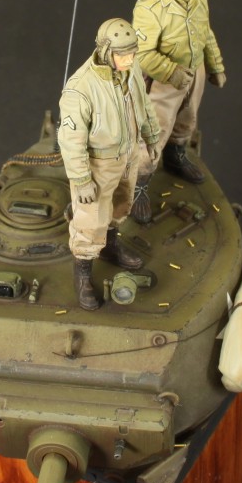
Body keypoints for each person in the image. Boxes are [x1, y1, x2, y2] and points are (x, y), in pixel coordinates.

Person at [58, 18, 160, 310]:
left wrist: (152, 136)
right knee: (90, 221)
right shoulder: (80, 89)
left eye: (132, 53)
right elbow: (71, 140)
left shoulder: (131, 70)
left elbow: (144, 104)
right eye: (122, 54)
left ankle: (111, 246)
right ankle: (82, 273)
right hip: (98, 165)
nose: (129, 59)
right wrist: (81, 180)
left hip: (127, 155)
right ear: (105, 52)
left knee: (121, 205)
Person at [130, 0, 226, 223]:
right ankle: (137, 186)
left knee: (187, 118)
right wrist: (172, 73)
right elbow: (143, 54)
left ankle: (176, 156)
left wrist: (216, 65)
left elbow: (205, 32)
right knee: (153, 133)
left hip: (194, 70)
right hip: (163, 80)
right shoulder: (150, 7)